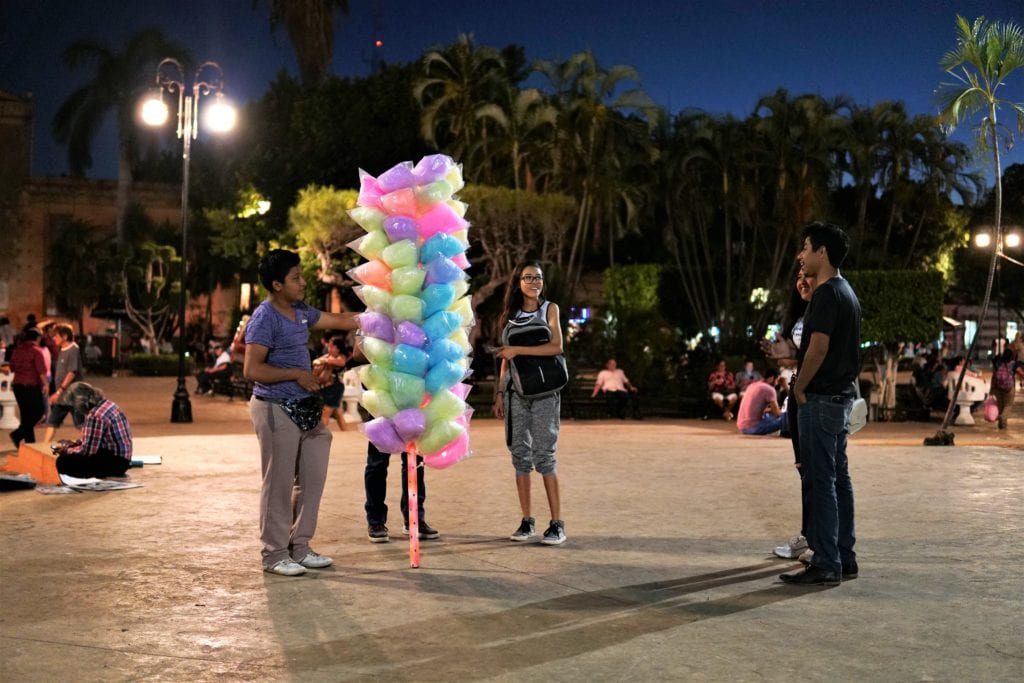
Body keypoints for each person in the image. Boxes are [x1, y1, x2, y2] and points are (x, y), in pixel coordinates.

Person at [243, 249, 358, 577]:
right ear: (277, 284)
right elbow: (252, 369)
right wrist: (295, 373)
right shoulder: (265, 318)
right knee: (277, 482)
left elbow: (340, 320)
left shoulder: (301, 312)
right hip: (275, 407)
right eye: (295, 278)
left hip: (305, 407)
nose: (303, 282)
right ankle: (274, 553)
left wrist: (382, 313)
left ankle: (301, 546)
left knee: (312, 478)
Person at [781, 221, 861, 586]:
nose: (802, 254)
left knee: (821, 480)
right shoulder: (847, 292)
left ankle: (827, 561)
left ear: (822, 252)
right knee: (838, 479)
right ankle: (844, 555)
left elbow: (819, 347)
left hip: (821, 399)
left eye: (806, 247)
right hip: (840, 398)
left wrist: (801, 389)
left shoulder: (828, 293)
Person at [493, 260, 567, 546]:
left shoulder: (550, 309)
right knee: (520, 456)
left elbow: (556, 346)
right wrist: (499, 393)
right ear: (518, 282)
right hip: (515, 394)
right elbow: (504, 359)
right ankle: (527, 521)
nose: (534, 282)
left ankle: (557, 524)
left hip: (545, 392)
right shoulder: (508, 317)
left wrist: (518, 349)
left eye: (538, 278)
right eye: (528, 277)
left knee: (544, 455)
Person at [761, 267, 817, 561]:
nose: (801, 281)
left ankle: (817, 541)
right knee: (802, 468)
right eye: (797, 277)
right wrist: (783, 355)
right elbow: (804, 354)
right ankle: (807, 536)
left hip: (812, 396)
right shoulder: (801, 314)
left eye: (807, 275)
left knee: (816, 472)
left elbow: (820, 354)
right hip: (797, 393)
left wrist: (790, 356)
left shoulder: (824, 307)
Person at [363, 442, 440, 543]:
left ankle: (413, 519)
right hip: (381, 426)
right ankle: (375, 522)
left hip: (413, 426)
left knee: (415, 462)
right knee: (377, 464)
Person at [52, 382, 132, 478]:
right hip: (124, 459)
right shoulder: (108, 404)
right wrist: (75, 444)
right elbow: (96, 440)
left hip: (116, 464)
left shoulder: (95, 415)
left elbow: (88, 451)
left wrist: (67, 450)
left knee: (63, 462)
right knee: (74, 454)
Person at [43, 323, 84, 443]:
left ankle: (91, 447)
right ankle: (43, 447)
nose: (54, 338)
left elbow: (72, 372)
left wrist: (58, 391)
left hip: (73, 395)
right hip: (63, 396)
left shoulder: (73, 349)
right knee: (53, 421)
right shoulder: (62, 349)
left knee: (81, 424)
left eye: (56, 336)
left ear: (65, 336)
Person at [8, 328, 47, 447]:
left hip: (18, 387)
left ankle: (30, 444)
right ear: (37, 338)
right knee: (39, 413)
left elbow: (12, 368)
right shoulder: (36, 351)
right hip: (31, 386)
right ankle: (17, 434)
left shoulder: (16, 351)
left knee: (26, 416)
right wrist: (46, 384)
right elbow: (41, 371)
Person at [736, 367, 786, 435]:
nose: (777, 383)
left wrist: (772, 410)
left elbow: (757, 407)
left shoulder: (753, 385)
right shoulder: (769, 389)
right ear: (771, 378)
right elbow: (777, 413)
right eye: (777, 380)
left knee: (768, 416)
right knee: (786, 418)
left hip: (742, 426)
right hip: (754, 428)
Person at [316, 335, 350, 431]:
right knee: (338, 413)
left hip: (335, 388)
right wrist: (324, 360)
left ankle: (320, 435)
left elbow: (341, 363)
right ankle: (346, 434)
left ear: (338, 348)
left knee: (325, 414)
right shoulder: (329, 356)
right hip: (328, 388)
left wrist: (325, 361)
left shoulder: (341, 356)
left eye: (331, 346)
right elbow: (316, 362)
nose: (328, 348)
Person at [989, 341, 1020, 430]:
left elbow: (994, 375)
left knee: (1001, 406)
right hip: (1009, 388)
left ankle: (1002, 426)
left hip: (997, 387)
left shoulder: (997, 363)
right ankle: (1003, 419)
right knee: (1008, 405)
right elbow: (1021, 373)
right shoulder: (1013, 364)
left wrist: (991, 388)